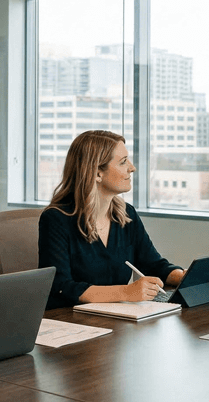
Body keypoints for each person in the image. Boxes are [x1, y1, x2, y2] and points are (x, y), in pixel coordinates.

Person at [39, 130, 184, 310]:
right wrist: (126, 292)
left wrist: (182, 275)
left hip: (117, 322)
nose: (132, 168)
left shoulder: (126, 214)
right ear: (97, 173)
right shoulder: (56, 219)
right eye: (123, 162)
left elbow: (153, 265)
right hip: (72, 323)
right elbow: (60, 286)